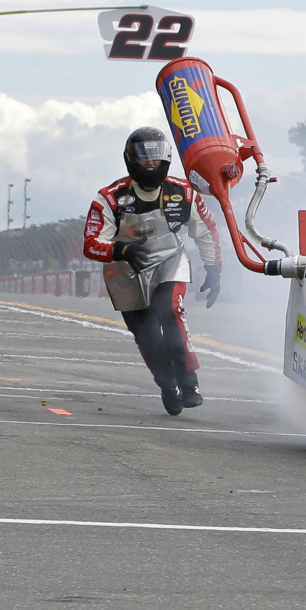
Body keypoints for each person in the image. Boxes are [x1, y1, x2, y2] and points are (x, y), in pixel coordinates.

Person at [83, 127, 222, 416]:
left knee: (170, 311)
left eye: (156, 156)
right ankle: (166, 385)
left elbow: (206, 232)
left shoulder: (184, 192)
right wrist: (120, 250)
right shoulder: (109, 198)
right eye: (144, 156)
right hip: (124, 271)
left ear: (167, 158)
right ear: (130, 159)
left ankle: (189, 381)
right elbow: (90, 243)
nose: (150, 162)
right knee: (146, 334)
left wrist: (214, 268)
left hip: (169, 261)